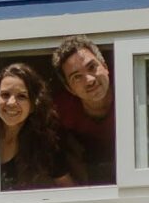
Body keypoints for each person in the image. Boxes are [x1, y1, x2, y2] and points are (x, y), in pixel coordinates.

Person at [0, 61, 84, 190]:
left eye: (21, 96)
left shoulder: (46, 144)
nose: (11, 103)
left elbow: (67, 186)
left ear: (33, 105)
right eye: (5, 95)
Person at [50, 36, 116, 173]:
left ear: (105, 67)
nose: (89, 80)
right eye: (77, 77)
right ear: (69, 89)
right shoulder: (61, 108)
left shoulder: (133, 92)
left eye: (92, 67)